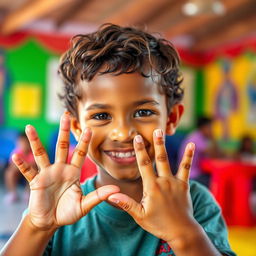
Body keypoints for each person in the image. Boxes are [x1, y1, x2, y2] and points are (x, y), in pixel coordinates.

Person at [1, 24, 235, 256]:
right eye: (101, 116)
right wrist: (37, 226)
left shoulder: (193, 203)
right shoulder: (56, 205)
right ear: (76, 127)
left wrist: (185, 234)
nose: (123, 133)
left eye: (143, 112)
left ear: (171, 118)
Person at [178, 116, 221, 187]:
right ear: (203, 127)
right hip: (190, 175)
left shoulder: (199, 136)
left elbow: (216, 154)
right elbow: (214, 155)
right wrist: (213, 138)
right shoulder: (196, 138)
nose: (212, 130)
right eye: (210, 127)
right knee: (215, 181)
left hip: (190, 173)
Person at [3, 132, 35, 204]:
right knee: (9, 173)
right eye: (20, 143)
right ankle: (12, 193)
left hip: (29, 172)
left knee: (33, 171)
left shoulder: (32, 152)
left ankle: (28, 192)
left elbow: (34, 164)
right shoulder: (17, 152)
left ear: (29, 143)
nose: (22, 145)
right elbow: (12, 164)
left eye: (24, 143)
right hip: (18, 171)